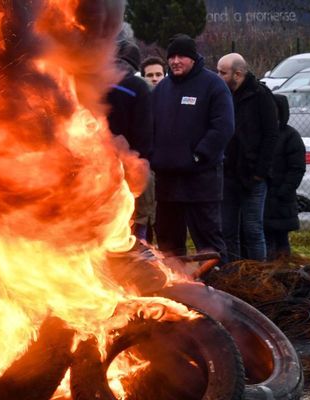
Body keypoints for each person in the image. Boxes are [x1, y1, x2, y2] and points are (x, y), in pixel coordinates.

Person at [151, 34, 234, 260]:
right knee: (168, 242)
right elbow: (150, 126)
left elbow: (223, 126)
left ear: (193, 58)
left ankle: (217, 283)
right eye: (172, 57)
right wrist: (153, 156)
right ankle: (175, 285)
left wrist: (199, 156)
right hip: (167, 181)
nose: (176, 61)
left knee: (208, 242)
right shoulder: (161, 89)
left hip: (201, 181)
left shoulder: (212, 85)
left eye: (182, 56)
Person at [217, 53, 279, 262]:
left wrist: (260, 173)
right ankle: (231, 274)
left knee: (253, 230)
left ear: (238, 73)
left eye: (222, 73)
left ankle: (257, 274)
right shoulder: (223, 95)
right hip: (228, 174)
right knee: (227, 230)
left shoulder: (261, 95)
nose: (218, 76)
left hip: (252, 176)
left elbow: (271, 135)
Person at [106, 39, 154, 241]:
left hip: (98, 162)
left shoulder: (94, 80)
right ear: (135, 64)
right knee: (138, 212)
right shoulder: (138, 86)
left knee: (108, 216)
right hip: (132, 161)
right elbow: (145, 128)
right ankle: (139, 246)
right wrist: (143, 158)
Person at [264, 94, 306, 259]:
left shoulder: (290, 136)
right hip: (265, 196)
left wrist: (283, 191)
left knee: (280, 240)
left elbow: (297, 168)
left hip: (281, 200)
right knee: (266, 239)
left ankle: (282, 270)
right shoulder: (263, 133)